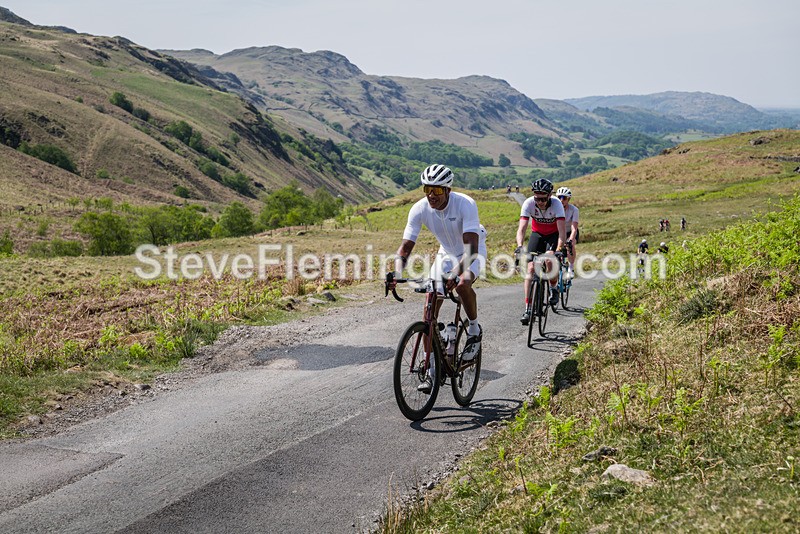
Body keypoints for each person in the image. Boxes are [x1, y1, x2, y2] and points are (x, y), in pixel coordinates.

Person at [386, 164, 487, 391]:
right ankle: (431, 370)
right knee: (430, 306)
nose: (432, 195)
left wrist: (454, 274)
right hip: (446, 254)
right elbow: (406, 246)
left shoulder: (466, 204)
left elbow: (471, 250)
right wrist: (397, 273)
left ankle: (473, 328)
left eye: (437, 190)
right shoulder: (419, 208)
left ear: (448, 190)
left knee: (461, 284)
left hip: (473, 250)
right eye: (427, 189)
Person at [516, 178, 566, 325]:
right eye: (537, 198)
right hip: (537, 235)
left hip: (553, 235)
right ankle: (528, 308)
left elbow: (562, 232)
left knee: (550, 259)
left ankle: (553, 287)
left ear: (550, 195)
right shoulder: (529, 203)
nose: (540, 202)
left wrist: (558, 249)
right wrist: (520, 246)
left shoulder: (557, 205)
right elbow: (522, 228)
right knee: (530, 268)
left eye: (543, 199)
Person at [556, 186, 579, 279]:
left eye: (564, 198)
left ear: (568, 199)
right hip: (558, 231)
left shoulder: (574, 210)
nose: (562, 200)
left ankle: (571, 268)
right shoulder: (555, 209)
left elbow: (574, 227)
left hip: (570, 231)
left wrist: (571, 239)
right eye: (559, 197)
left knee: (570, 245)